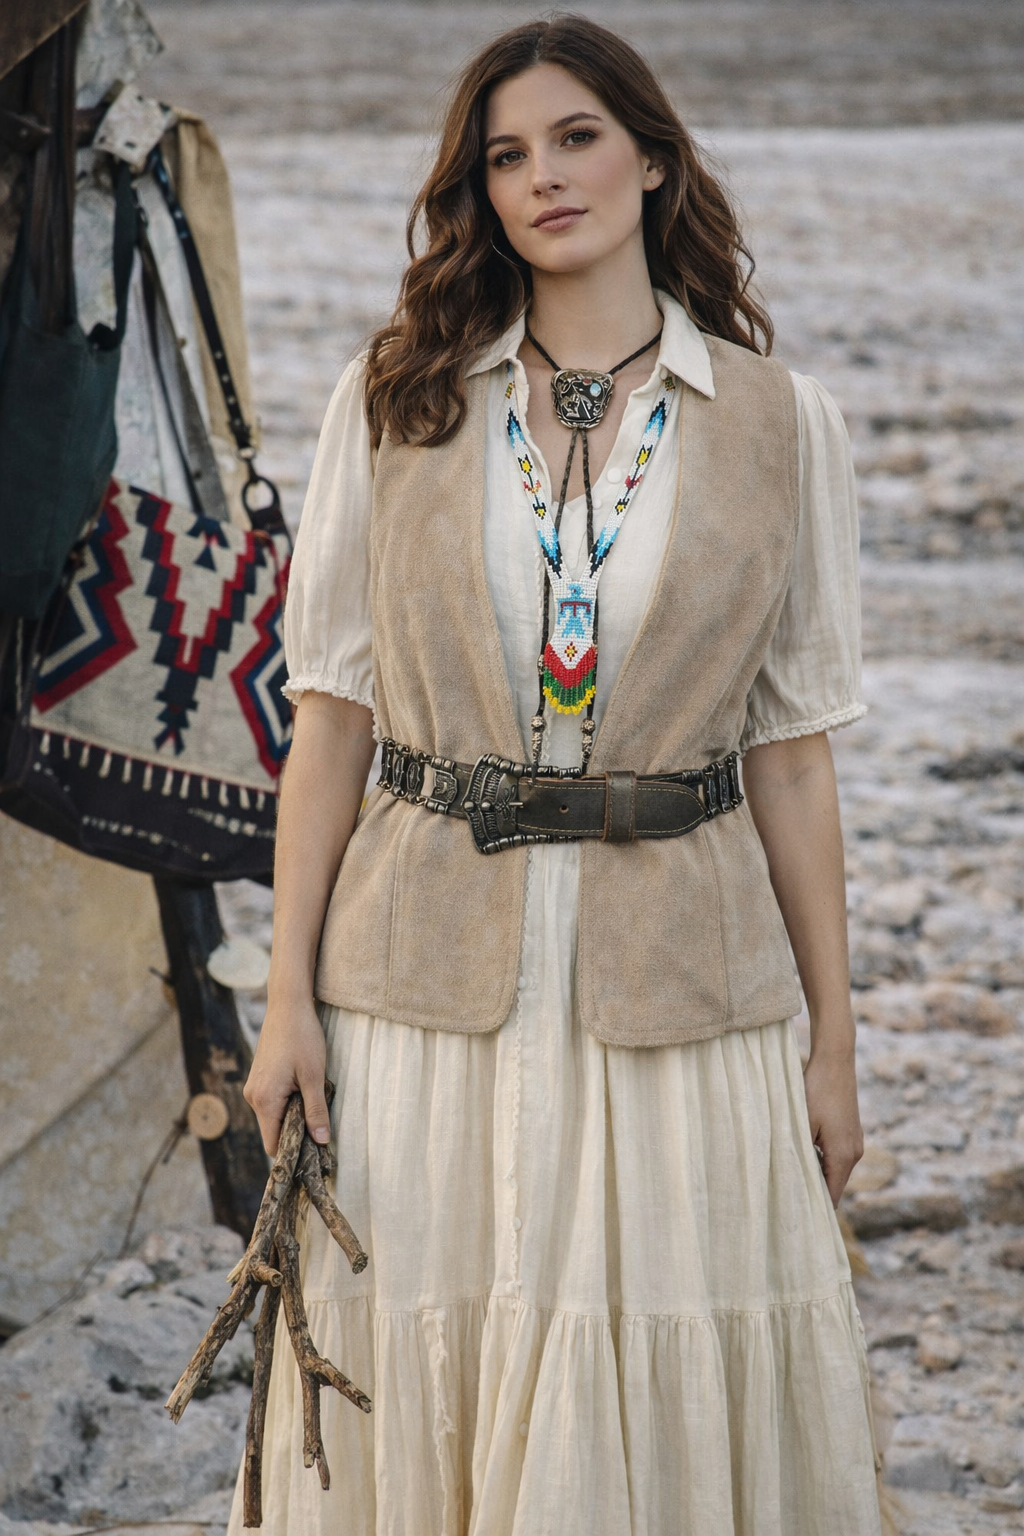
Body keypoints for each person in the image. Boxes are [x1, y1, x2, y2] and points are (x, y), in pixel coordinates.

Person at [235, 15, 884, 1535]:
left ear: (654, 159)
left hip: (682, 985)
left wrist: (835, 1040)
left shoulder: (783, 428)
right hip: (417, 982)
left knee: (658, 1348)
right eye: (506, 155)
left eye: (578, 136)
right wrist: (282, 1006)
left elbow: (790, 759)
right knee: (423, 1348)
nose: (543, 178)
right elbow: (329, 717)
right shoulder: (397, 401)